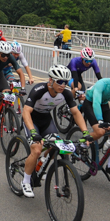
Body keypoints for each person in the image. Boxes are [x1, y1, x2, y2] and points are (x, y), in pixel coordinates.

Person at [16, 65, 89, 197]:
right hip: (32, 120)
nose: (63, 85)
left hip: (46, 120)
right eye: (59, 82)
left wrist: (85, 132)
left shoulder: (65, 93)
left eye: (65, 83)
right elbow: (26, 111)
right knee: (37, 149)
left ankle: (41, 164)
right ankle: (26, 181)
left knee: (57, 145)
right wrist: (33, 132)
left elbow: (76, 113)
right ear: (51, 80)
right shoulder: (39, 90)